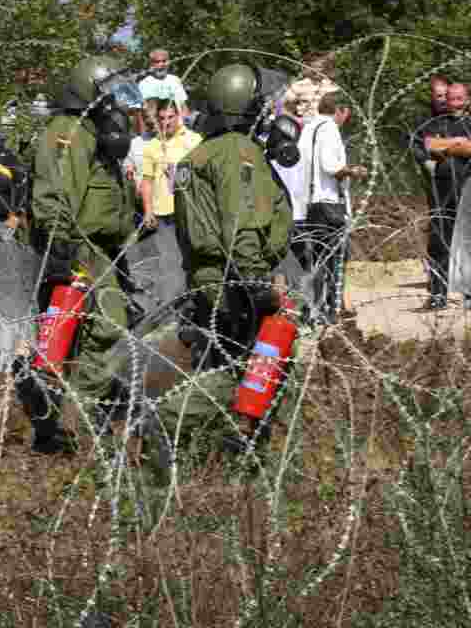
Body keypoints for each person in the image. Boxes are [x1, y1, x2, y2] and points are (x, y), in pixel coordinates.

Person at [166, 62, 294, 453]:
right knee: (248, 369)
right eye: (263, 107)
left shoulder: (202, 153)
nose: (269, 115)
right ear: (246, 107)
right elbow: (240, 224)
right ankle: (167, 421)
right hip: (236, 278)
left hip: (211, 277)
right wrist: (258, 283)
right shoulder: (239, 152)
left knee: (224, 364)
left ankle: (219, 449)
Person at [29, 55, 141, 449]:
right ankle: (74, 419)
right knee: (109, 326)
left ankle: (67, 415)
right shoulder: (68, 131)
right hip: (80, 247)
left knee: (100, 331)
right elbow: (54, 193)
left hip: (100, 248)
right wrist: (63, 251)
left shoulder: (91, 132)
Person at [411, 82, 471, 309]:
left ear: (467, 99)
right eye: (451, 99)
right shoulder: (435, 122)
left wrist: (447, 146)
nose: (453, 103)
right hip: (442, 188)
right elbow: (430, 145)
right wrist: (457, 143)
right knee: (440, 241)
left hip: (470, 185)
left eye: (458, 99)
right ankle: (437, 294)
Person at [299, 91, 368, 323]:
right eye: (346, 113)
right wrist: (352, 171)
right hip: (329, 204)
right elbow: (329, 165)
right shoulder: (329, 129)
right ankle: (331, 310)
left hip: (310, 204)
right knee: (335, 259)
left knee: (316, 259)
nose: (346, 118)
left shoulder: (309, 128)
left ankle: (315, 309)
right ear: (340, 110)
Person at [139, 99, 202, 230]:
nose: (166, 122)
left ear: (178, 116)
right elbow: (147, 181)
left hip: (190, 210)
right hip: (162, 214)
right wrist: (148, 211)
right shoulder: (151, 146)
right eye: (162, 118)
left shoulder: (195, 140)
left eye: (170, 117)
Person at [138, 48, 190, 124]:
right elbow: (143, 113)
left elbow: (183, 105)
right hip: (158, 126)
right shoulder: (144, 84)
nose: (161, 65)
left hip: (179, 124)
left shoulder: (175, 79)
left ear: (168, 62)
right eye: (157, 62)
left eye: (164, 61)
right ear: (151, 64)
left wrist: (187, 123)